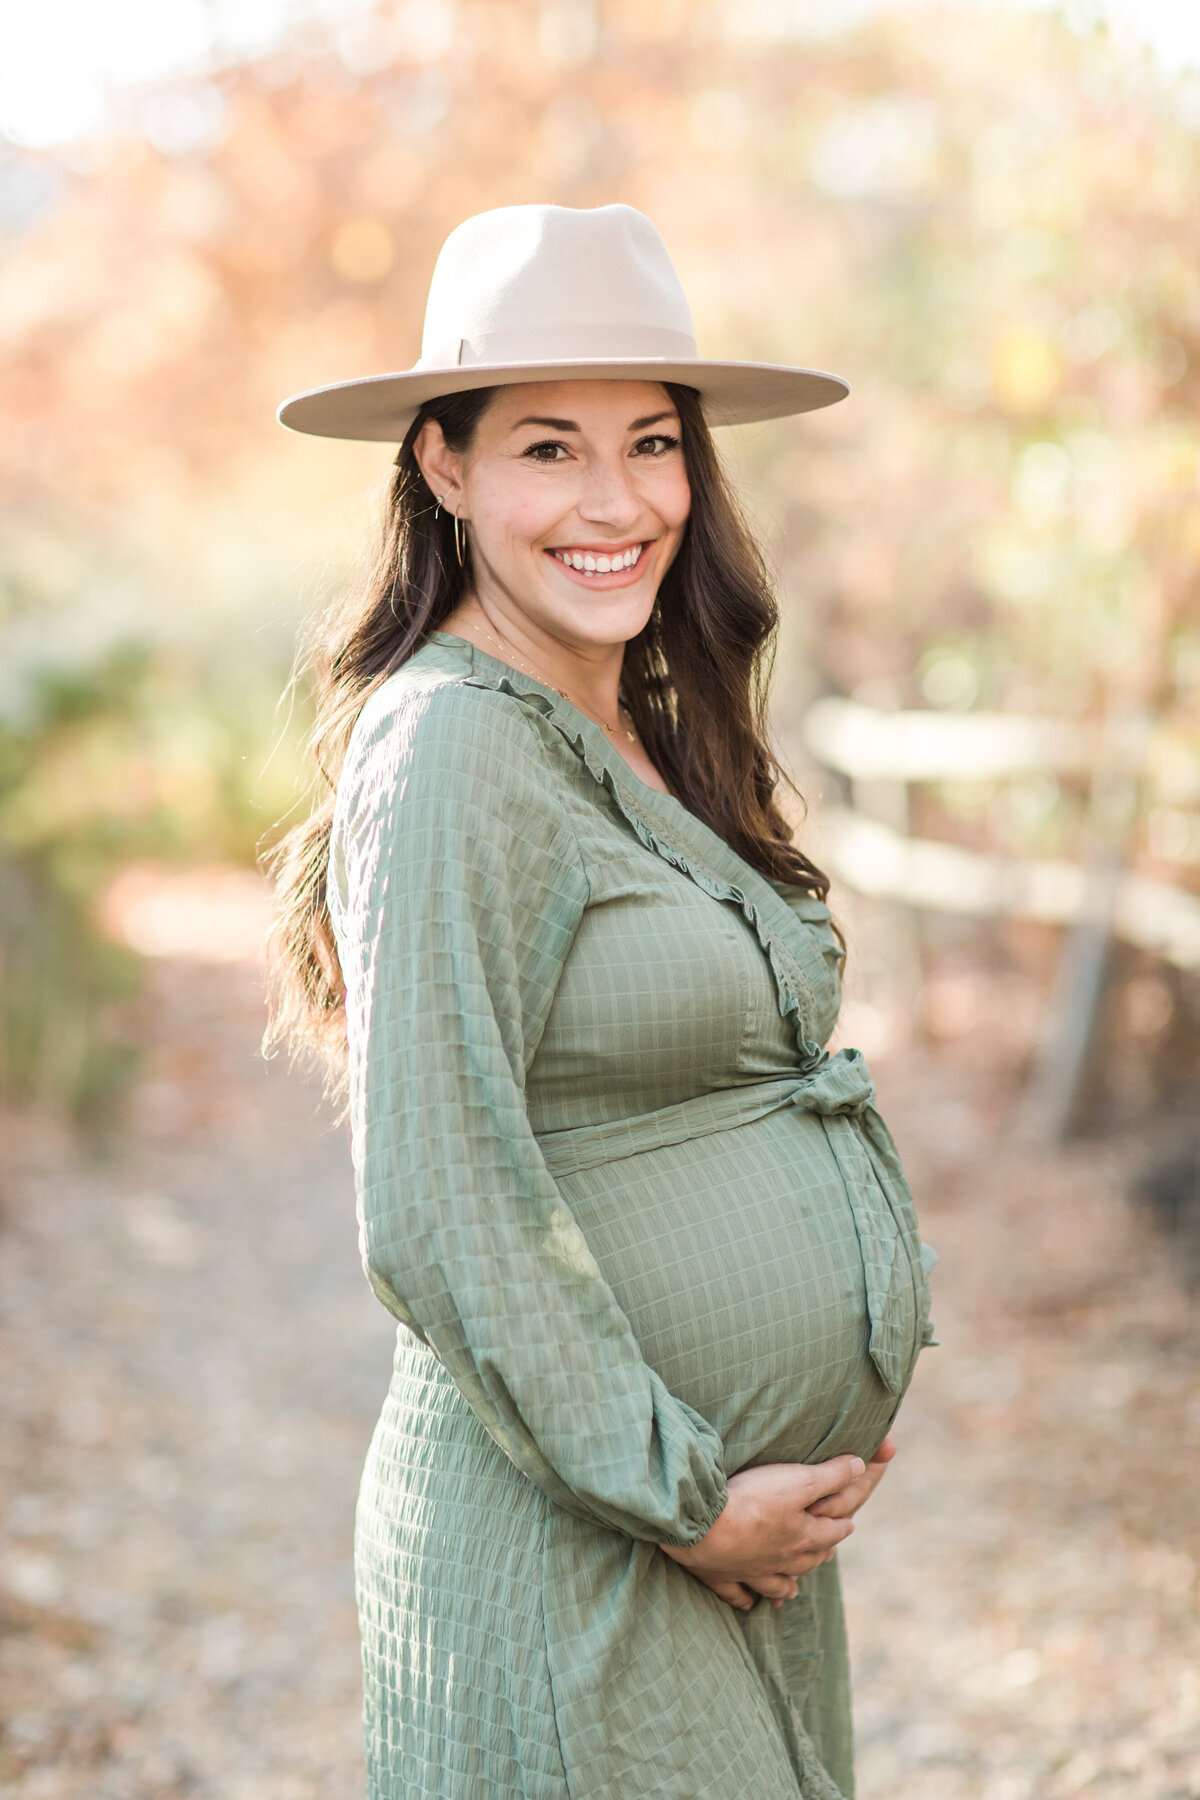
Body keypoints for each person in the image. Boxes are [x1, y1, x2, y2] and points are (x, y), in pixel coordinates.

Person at [268, 202, 936, 1800]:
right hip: (585, 1540)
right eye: (549, 450)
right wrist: (684, 1495)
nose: (618, 501)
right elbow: (437, 1198)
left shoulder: (646, 725)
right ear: (444, 466)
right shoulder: (450, 747)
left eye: (652, 442)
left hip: (724, 1538)